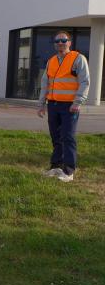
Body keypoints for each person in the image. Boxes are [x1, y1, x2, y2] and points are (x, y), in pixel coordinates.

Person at [37, 30, 90, 182]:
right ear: (55, 44)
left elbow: (85, 81)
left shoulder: (78, 59)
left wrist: (77, 102)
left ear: (69, 43)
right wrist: (41, 104)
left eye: (63, 40)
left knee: (68, 137)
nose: (60, 43)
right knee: (56, 137)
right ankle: (56, 166)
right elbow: (45, 83)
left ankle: (69, 171)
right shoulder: (51, 61)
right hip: (53, 105)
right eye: (57, 41)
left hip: (70, 106)